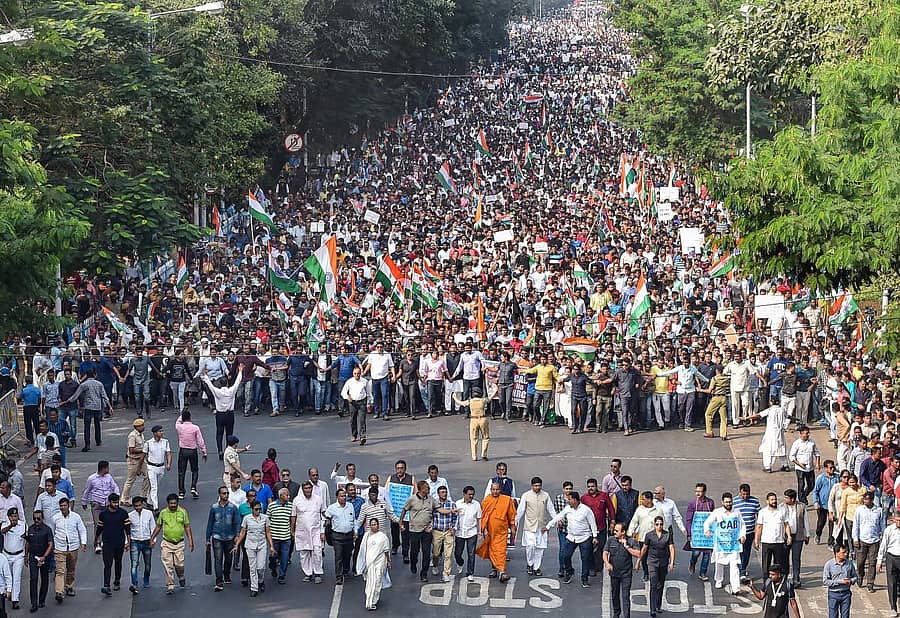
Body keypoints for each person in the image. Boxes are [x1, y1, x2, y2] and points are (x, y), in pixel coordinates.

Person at [544, 490, 599, 588]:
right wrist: (548, 526)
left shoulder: (586, 510)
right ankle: (569, 571)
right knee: (566, 555)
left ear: (575, 500)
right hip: (571, 537)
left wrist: (595, 536)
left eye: (569, 499)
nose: (568, 501)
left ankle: (584, 578)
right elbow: (558, 517)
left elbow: (592, 523)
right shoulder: (568, 509)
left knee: (585, 558)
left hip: (584, 537)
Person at [149, 493, 194, 595]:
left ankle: (181, 576)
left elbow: (187, 527)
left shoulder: (183, 512)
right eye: (171, 503)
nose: (173, 505)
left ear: (177, 503)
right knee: (168, 565)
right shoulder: (163, 513)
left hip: (179, 543)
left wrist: (190, 541)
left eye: (175, 503)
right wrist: (152, 538)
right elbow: (158, 527)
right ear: (168, 503)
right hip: (166, 543)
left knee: (179, 564)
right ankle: (170, 585)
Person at [702, 492, 746, 594]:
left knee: (734, 565)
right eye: (726, 502)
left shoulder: (737, 512)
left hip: (734, 544)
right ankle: (719, 580)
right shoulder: (717, 512)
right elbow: (707, 522)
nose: (728, 504)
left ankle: (736, 587)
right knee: (719, 563)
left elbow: (742, 525)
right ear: (722, 502)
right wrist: (707, 530)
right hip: (721, 544)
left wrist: (743, 535)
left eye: (730, 502)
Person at [58, 369, 112, 452]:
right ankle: (98, 440)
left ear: (86, 375)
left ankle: (87, 444)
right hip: (97, 407)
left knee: (87, 426)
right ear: (95, 375)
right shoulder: (99, 384)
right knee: (97, 424)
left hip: (88, 407)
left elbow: (75, 396)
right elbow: (104, 396)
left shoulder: (84, 384)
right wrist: (109, 406)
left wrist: (65, 402)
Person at [476, 481, 517, 582]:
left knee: (501, 551)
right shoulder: (487, 500)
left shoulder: (507, 500)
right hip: (489, 532)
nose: (495, 491)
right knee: (492, 550)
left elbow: (511, 515)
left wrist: (513, 528)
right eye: (493, 489)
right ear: (490, 490)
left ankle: (502, 572)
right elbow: (483, 516)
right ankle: (494, 569)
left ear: (500, 490)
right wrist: (483, 529)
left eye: (497, 489)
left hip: (501, 532)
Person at [515, 477, 555, 577]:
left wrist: (556, 520)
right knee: (531, 546)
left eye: (539, 486)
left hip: (542, 527)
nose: (537, 487)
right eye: (535, 486)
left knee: (540, 549)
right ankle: (530, 564)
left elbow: (551, 509)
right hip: (529, 526)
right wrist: (514, 522)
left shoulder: (545, 495)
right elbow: (520, 511)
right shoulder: (526, 495)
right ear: (532, 486)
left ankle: (536, 568)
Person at [232, 498, 274, 597]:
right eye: (256, 509)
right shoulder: (247, 518)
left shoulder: (265, 518)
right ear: (252, 509)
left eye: (259, 509)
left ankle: (261, 580)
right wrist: (237, 544)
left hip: (262, 544)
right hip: (250, 545)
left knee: (260, 567)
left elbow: (268, 532)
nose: (258, 511)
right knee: (252, 567)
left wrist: (271, 545)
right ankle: (254, 587)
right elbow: (243, 532)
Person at [399, 481, 436, 583]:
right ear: (420, 489)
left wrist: (450, 511)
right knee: (414, 551)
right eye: (426, 488)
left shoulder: (431, 499)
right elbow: (404, 510)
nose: (428, 489)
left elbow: (438, 509)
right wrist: (400, 523)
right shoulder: (412, 499)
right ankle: (413, 563)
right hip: (414, 530)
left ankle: (424, 573)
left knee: (426, 553)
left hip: (426, 531)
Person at [206, 486, 241, 591]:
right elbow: (210, 523)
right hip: (217, 536)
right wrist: (207, 539)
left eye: (227, 493)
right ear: (219, 495)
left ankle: (226, 573)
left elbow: (237, 522)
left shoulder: (233, 507)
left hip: (230, 537)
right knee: (218, 559)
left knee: (229, 558)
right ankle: (219, 581)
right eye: (223, 493)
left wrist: (237, 535)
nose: (225, 495)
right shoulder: (214, 508)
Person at [51, 498, 86, 604]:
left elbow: (82, 530)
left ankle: (69, 586)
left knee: (71, 569)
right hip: (59, 548)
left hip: (73, 547)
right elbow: (52, 532)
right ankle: (59, 592)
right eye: (61, 506)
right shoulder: (55, 518)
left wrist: (83, 543)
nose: (63, 508)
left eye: (64, 505)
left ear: (68, 506)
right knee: (60, 571)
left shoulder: (76, 517)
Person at [603, 522, 642, 618]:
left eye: (617, 530)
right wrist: (607, 563)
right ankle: (616, 613)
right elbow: (605, 552)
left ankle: (626, 616)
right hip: (614, 573)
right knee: (615, 595)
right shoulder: (611, 540)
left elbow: (638, 554)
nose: (614, 532)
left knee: (625, 596)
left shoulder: (631, 541)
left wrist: (627, 546)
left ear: (623, 532)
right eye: (614, 530)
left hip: (626, 574)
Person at [290, 480, 325, 584]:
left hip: (316, 530)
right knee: (304, 553)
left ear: (312, 489)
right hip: (302, 530)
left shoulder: (318, 499)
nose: (308, 490)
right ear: (302, 489)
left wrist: (323, 531)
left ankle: (317, 573)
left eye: (309, 488)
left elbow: (323, 514)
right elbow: (293, 516)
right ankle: (308, 573)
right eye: (305, 488)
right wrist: (292, 530)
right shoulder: (297, 500)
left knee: (317, 551)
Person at [640, 516, 675, 618]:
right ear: (654, 525)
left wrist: (672, 562)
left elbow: (671, 548)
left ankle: (658, 605)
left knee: (661, 584)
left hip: (663, 562)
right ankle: (652, 609)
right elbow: (644, 548)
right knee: (653, 584)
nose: (659, 526)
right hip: (652, 562)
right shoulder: (649, 535)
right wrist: (639, 560)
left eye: (660, 524)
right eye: (657, 524)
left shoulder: (667, 535)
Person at [80, 460, 119, 552]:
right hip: (96, 503)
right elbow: (87, 490)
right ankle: (97, 543)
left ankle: (105, 541)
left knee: (108, 523)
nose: (108, 469)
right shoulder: (92, 479)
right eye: (107, 467)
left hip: (107, 504)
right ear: (104, 468)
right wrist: (84, 501)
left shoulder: (109, 477)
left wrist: (116, 495)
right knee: (97, 523)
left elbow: (114, 486)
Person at [97, 493, 130, 596]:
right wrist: (96, 539)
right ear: (109, 502)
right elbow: (99, 528)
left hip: (119, 542)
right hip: (107, 543)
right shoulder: (103, 514)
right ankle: (106, 585)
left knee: (118, 562)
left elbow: (127, 529)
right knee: (107, 564)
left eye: (117, 502)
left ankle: (117, 581)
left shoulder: (123, 513)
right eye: (114, 502)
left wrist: (128, 541)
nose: (116, 504)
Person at [356, 518, 391, 611]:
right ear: (369, 526)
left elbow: (386, 550)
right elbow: (363, 550)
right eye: (372, 524)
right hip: (370, 563)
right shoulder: (366, 536)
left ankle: (373, 601)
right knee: (370, 582)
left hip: (380, 561)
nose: (373, 526)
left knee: (377, 580)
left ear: (378, 525)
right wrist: (362, 564)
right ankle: (369, 600)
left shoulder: (383, 537)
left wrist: (388, 561)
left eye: (375, 524)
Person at [852, 491, 883, 592]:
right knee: (860, 562)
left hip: (874, 540)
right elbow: (856, 525)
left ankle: (870, 583)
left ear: (872, 500)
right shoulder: (859, 510)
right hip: (862, 540)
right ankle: (860, 576)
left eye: (867, 499)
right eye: (864, 499)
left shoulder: (879, 510)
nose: (865, 501)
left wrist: (882, 537)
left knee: (872, 563)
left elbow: (882, 524)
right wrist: (855, 538)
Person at [453, 385, 495, 461]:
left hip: (473, 420)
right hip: (483, 419)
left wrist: (455, 397)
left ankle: (474, 456)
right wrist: (495, 389)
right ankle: (483, 454)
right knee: (485, 437)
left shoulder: (470, 401)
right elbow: (491, 397)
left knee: (473, 439)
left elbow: (460, 403)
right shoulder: (483, 400)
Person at [325, 488, 357, 585]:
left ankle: (346, 570)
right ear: (337, 497)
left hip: (349, 535)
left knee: (347, 555)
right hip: (337, 536)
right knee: (338, 556)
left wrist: (355, 531)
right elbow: (326, 518)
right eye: (341, 496)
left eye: (344, 496)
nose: (343, 498)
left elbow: (354, 519)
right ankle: (338, 576)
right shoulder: (332, 508)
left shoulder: (350, 506)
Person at [24, 509, 54, 612]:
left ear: (42, 518)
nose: (36, 520)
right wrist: (26, 555)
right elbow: (28, 542)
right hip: (33, 556)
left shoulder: (47, 529)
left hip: (44, 557)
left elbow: (50, 544)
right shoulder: (31, 529)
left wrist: (44, 556)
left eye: (38, 518)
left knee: (44, 578)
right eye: (34, 518)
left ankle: (42, 600)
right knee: (33, 579)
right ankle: (34, 603)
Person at [756, 492, 791, 576]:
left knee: (778, 565)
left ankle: (777, 584)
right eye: (772, 500)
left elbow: (786, 524)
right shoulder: (762, 512)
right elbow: (759, 527)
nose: (774, 501)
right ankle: (766, 584)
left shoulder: (782, 511)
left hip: (779, 542)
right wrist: (756, 540)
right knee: (766, 565)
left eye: (775, 499)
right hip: (766, 542)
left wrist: (789, 536)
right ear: (767, 501)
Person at [685, 482, 714, 582]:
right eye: (696, 491)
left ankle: (702, 573)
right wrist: (689, 533)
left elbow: (713, 517)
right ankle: (692, 563)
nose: (698, 493)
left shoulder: (710, 502)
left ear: (704, 492)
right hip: (696, 533)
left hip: (707, 533)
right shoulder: (693, 504)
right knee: (696, 553)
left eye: (700, 491)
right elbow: (689, 519)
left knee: (706, 554)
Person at [175, 411, 206, 500]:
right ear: (190, 417)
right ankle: (193, 487)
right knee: (194, 470)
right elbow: (200, 440)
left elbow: (177, 421)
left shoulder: (179, 427)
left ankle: (181, 492)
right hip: (193, 451)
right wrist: (204, 451)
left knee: (181, 472)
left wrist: (181, 414)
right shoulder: (195, 428)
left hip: (183, 450)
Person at [127, 497, 154, 594]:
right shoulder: (130, 515)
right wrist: (127, 542)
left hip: (147, 541)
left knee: (147, 564)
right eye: (136, 506)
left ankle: (146, 579)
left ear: (142, 504)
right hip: (135, 541)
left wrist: (153, 540)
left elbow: (153, 527)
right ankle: (134, 584)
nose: (138, 507)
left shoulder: (149, 514)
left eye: (139, 505)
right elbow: (127, 530)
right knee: (134, 564)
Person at [454, 485, 481, 582]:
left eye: (472, 494)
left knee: (471, 554)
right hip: (460, 532)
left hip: (472, 532)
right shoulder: (457, 504)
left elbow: (479, 518)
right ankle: (460, 563)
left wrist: (480, 531)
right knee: (458, 553)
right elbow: (454, 517)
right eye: (469, 494)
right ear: (464, 494)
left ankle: (470, 573)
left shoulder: (476, 504)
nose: (471, 496)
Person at [430, 485, 457, 583]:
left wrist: (453, 527)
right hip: (437, 531)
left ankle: (446, 573)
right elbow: (431, 517)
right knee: (436, 553)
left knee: (448, 554)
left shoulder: (452, 504)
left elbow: (455, 518)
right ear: (438, 494)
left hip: (448, 531)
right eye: (442, 492)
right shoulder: (434, 504)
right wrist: (431, 526)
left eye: (445, 492)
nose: (444, 494)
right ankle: (435, 564)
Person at [876, 510, 900, 617]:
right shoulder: (889, 530)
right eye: (897, 520)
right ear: (894, 519)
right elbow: (883, 545)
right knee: (892, 583)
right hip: (891, 558)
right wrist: (879, 561)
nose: (899, 523)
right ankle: (893, 607)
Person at [789, 425, 821, 504]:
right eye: (805, 433)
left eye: (807, 433)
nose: (806, 435)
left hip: (810, 467)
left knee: (811, 485)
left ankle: (804, 495)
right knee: (801, 484)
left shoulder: (811, 442)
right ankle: (802, 500)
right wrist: (799, 464)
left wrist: (817, 463)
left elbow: (817, 453)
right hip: (800, 468)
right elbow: (791, 457)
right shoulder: (796, 443)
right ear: (801, 434)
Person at [267, 487, 293, 584]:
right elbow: (267, 520)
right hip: (274, 537)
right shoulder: (272, 506)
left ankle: (282, 576)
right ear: (281, 496)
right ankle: (273, 568)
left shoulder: (291, 506)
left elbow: (292, 520)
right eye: (287, 495)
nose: (288, 497)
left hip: (286, 537)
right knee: (273, 557)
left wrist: (291, 531)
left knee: (285, 558)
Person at [1, 508, 26, 609]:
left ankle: (15, 599)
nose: (14, 518)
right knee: (7, 576)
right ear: (9, 517)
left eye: (15, 516)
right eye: (12, 516)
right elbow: (2, 531)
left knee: (16, 578)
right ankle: (7, 592)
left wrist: (26, 555)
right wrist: (11, 525)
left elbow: (26, 540)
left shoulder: (23, 525)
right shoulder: (5, 523)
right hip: (7, 554)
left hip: (19, 555)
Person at [122, 418, 149, 506]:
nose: (143, 427)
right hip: (133, 460)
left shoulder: (141, 435)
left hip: (141, 459)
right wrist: (143, 450)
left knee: (148, 476)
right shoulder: (132, 436)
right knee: (130, 480)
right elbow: (131, 449)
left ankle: (143, 496)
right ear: (136, 427)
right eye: (141, 426)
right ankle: (124, 499)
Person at [823, 544, 856, 618]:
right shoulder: (829, 565)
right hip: (833, 594)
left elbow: (855, 577)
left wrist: (850, 581)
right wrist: (840, 582)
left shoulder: (849, 564)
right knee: (833, 616)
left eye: (846, 552)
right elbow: (825, 581)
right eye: (843, 552)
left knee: (845, 615)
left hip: (846, 594)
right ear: (836, 553)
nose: (846, 554)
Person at [143, 425, 172, 511]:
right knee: (154, 487)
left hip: (161, 467)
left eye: (162, 431)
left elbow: (168, 453)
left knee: (154, 485)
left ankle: (149, 500)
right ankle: (155, 507)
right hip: (151, 467)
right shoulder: (148, 443)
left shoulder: (165, 442)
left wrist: (169, 464)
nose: (162, 433)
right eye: (160, 431)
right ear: (155, 433)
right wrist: (141, 467)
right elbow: (143, 456)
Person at [342, 365, 369, 445]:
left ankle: (362, 436)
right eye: (355, 373)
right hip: (352, 402)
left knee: (362, 420)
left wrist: (369, 402)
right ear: (353, 374)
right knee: (352, 419)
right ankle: (354, 435)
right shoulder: (349, 381)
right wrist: (347, 397)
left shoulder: (364, 381)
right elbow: (343, 392)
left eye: (358, 373)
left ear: (360, 374)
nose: (357, 375)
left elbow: (368, 392)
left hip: (362, 402)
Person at [814, 461, 840, 546]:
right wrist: (816, 502)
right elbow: (816, 491)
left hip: (833, 506)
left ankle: (830, 542)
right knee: (821, 523)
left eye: (833, 467)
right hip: (822, 505)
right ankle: (818, 534)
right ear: (826, 469)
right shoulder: (821, 478)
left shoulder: (837, 478)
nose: (832, 469)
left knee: (832, 524)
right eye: (830, 468)